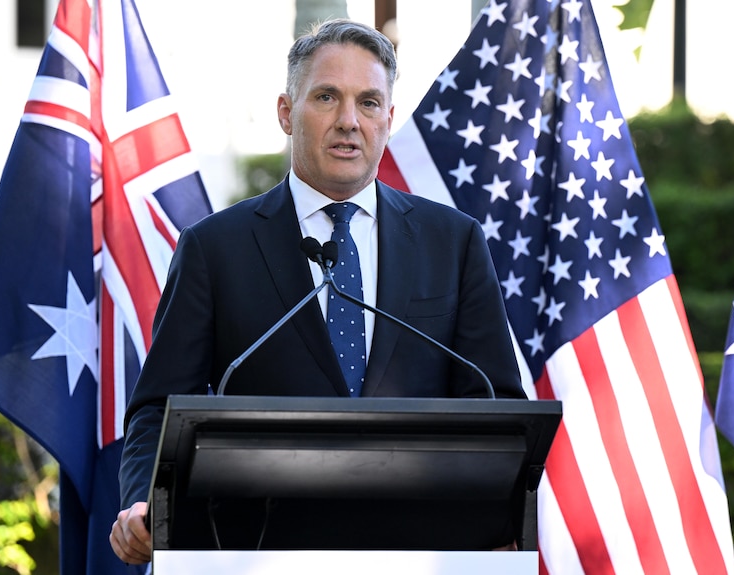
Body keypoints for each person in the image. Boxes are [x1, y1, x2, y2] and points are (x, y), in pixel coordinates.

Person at [110, 18, 526, 565]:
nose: (349, 122)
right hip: (256, 553)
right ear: (286, 111)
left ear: (389, 118)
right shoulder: (215, 249)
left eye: (369, 102)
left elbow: (492, 402)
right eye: (327, 97)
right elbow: (157, 408)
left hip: (421, 553)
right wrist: (144, 502)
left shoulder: (454, 242)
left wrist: (494, 508)